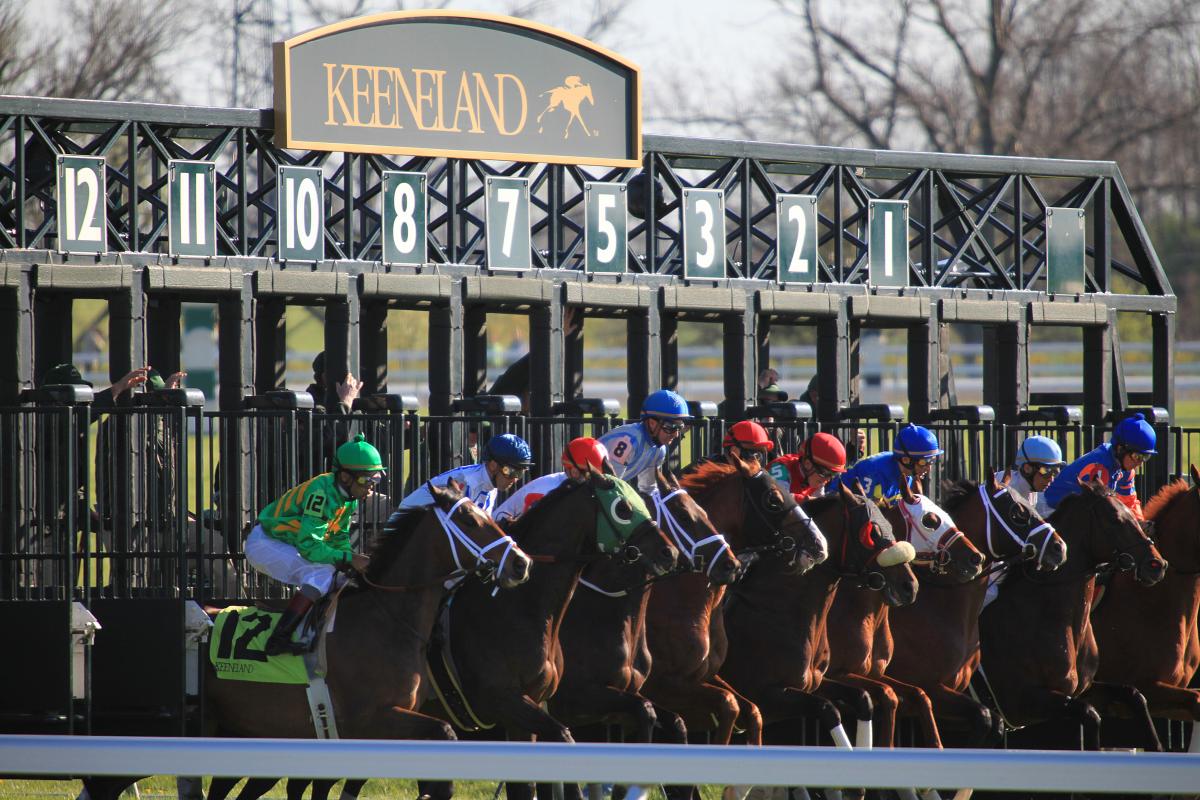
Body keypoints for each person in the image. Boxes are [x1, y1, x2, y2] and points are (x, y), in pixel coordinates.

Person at [245, 434, 383, 655]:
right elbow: (310, 546)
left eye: (375, 481)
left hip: (288, 543)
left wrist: (348, 561)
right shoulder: (320, 493)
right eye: (367, 480)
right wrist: (350, 559)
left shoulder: (348, 497)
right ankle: (278, 639)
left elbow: (338, 538)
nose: (371, 488)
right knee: (321, 573)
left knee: (342, 576)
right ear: (346, 477)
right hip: (265, 543)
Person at [1044, 413, 1157, 521]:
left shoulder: (1126, 469)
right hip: (1049, 510)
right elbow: (1098, 513)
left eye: (1146, 457)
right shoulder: (1099, 467)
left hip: (1072, 514)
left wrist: (1141, 527)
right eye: (1137, 456)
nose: (1140, 463)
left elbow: (1130, 503)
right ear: (1120, 449)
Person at [397, 432, 534, 517]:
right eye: (511, 471)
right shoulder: (467, 481)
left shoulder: (491, 486)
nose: (515, 479)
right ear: (493, 465)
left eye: (520, 472)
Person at [493, 438, 613, 524]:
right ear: (575, 472)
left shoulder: (570, 485)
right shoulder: (546, 491)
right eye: (593, 474)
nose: (598, 479)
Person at [599, 389, 690, 493]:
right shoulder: (628, 441)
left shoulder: (659, 450)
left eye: (680, 427)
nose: (676, 434)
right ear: (652, 423)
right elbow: (611, 487)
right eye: (670, 427)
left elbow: (649, 490)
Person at [831, 423, 942, 504]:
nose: (929, 469)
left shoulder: (908, 475)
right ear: (906, 460)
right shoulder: (872, 471)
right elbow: (863, 513)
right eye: (924, 462)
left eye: (932, 461)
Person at [768, 432, 849, 503]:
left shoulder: (817, 479)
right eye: (825, 473)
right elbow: (780, 499)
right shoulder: (780, 467)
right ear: (807, 464)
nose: (827, 480)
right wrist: (809, 500)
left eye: (833, 474)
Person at [996, 435, 1065, 518]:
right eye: (1047, 471)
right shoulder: (1005, 492)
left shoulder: (1031, 488)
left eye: (1055, 472)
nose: (1051, 479)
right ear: (1027, 468)